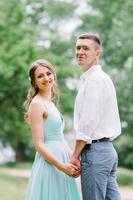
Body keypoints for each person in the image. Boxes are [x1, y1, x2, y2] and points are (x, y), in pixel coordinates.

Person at [70, 33, 121, 200]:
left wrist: (75, 156)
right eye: (78, 48)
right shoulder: (99, 78)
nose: (80, 52)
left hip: (95, 152)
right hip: (106, 151)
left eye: (86, 48)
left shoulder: (94, 81)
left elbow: (88, 123)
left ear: (97, 53)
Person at [24, 59, 81, 200]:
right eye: (40, 76)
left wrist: (73, 158)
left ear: (54, 75)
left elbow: (60, 137)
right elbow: (38, 144)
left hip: (62, 159)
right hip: (50, 163)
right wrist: (61, 166)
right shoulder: (36, 104)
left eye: (48, 73)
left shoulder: (49, 103)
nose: (46, 78)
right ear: (34, 82)